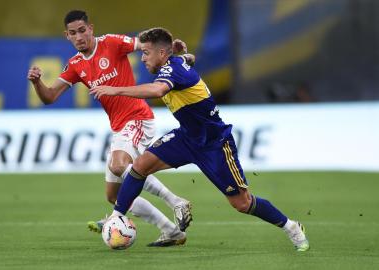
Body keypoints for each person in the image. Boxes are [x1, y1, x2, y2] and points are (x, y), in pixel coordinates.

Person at [89, 27, 310, 252]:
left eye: (146, 52)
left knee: (242, 203)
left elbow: (157, 91)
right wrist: (183, 54)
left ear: (162, 53)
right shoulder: (173, 64)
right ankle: (116, 217)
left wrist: (115, 90)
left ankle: (291, 227)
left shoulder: (171, 70)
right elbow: (188, 59)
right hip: (187, 137)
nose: (142, 57)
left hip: (214, 143)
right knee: (139, 166)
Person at [27, 11, 192, 247]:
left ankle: (175, 201)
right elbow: (50, 97)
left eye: (82, 30)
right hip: (119, 127)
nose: (79, 37)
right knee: (113, 195)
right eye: (73, 33)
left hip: (138, 117)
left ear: (91, 28)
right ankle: (171, 231)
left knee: (119, 165)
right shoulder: (75, 65)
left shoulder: (112, 43)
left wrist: (171, 48)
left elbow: (145, 44)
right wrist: (37, 83)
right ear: (67, 36)